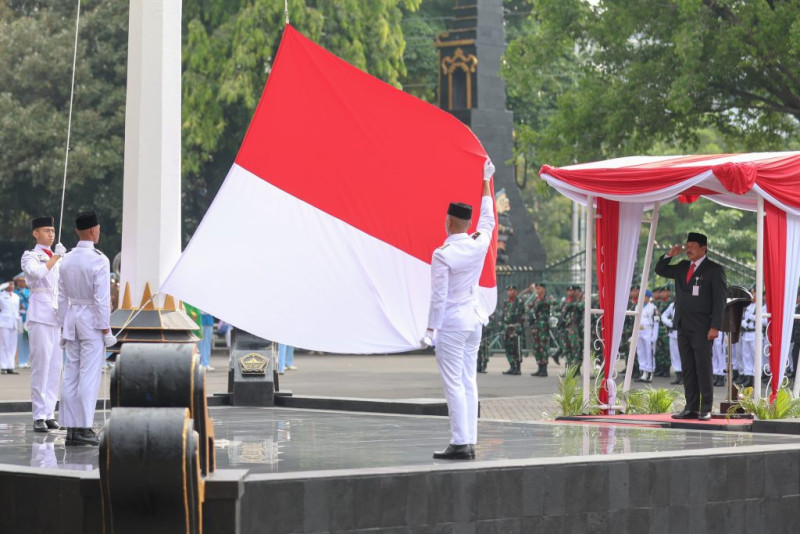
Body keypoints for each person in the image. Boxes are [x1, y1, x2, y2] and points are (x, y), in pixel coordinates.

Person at [423, 158, 495, 460]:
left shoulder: (444, 254)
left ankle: (459, 442)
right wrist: (485, 181)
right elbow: (488, 219)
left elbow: (438, 297)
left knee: (454, 383)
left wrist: (430, 330)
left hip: (452, 324)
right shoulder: (479, 242)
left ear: (449, 222)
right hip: (474, 320)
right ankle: (469, 438)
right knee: (468, 381)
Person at [58, 211, 116, 446]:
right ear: (94, 230)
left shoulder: (67, 258)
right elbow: (102, 299)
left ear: (76, 232)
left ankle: (71, 428)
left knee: (71, 374)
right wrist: (106, 331)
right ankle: (83, 427)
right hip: (91, 321)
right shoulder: (99, 259)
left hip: (72, 318)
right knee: (89, 376)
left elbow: (61, 297)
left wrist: (63, 325)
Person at [655, 232, 727, 420]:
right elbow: (660, 270)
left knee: (703, 368)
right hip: (683, 325)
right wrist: (670, 255)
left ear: (704, 248)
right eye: (688, 245)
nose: (689, 248)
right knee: (688, 368)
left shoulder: (714, 270)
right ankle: (691, 407)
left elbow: (720, 301)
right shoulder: (682, 266)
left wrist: (715, 326)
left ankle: (706, 408)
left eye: (693, 245)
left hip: (703, 327)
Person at [21, 216, 67, 432]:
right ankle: (38, 415)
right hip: (40, 314)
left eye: (53, 230)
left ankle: (49, 412)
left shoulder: (58, 257)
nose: (51, 234)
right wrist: (56, 258)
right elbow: (36, 273)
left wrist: (61, 259)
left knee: (55, 367)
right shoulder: (31, 256)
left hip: (56, 316)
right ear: (35, 233)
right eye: (46, 230)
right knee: (41, 365)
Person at [634, 289, 659, 383]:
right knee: (641, 352)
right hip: (639, 331)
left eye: (644, 296)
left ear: (648, 297)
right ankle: (643, 372)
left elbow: (657, 321)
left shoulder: (653, 307)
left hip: (648, 331)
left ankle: (650, 373)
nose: (642, 298)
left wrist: (654, 335)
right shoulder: (637, 306)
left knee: (649, 352)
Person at [527, 283, 551, 377]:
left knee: (543, 346)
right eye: (536, 288)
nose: (537, 290)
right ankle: (539, 367)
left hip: (543, 326)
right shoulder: (536, 299)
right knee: (536, 347)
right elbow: (529, 306)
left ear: (544, 289)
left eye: (539, 288)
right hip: (536, 326)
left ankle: (544, 368)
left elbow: (550, 304)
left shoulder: (546, 299)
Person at [500, 285, 524, 375]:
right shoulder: (506, 302)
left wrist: (514, 326)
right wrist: (503, 325)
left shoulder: (519, 302)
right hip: (507, 329)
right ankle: (511, 366)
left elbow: (521, 317)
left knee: (516, 348)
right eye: (509, 290)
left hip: (515, 329)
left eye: (512, 290)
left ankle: (517, 368)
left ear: (516, 291)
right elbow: (503, 316)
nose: (511, 292)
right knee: (508, 348)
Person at [0, 281, 21, 374]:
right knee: (4, 345)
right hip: (4, 322)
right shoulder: (1, 295)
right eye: (9, 284)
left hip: (14, 323)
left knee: (12, 345)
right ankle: (3, 366)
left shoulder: (16, 297)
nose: (11, 286)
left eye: (13, 284)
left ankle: (10, 366)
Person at [661, 299, 682, 384]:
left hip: (683, 332)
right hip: (673, 333)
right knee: (675, 355)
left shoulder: (687, 303)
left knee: (683, 354)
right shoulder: (673, 305)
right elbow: (663, 316)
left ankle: (684, 376)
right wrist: (670, 323)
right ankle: (678, 375)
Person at [13, 273, 30, 368]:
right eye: (20, 281)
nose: (22, 283)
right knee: (20, 341)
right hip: (20, 318)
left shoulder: (29, 292)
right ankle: (20, 361)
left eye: (23, 281)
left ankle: (26, 360)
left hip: (28, 318)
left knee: (28, 340)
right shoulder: (15, 293)